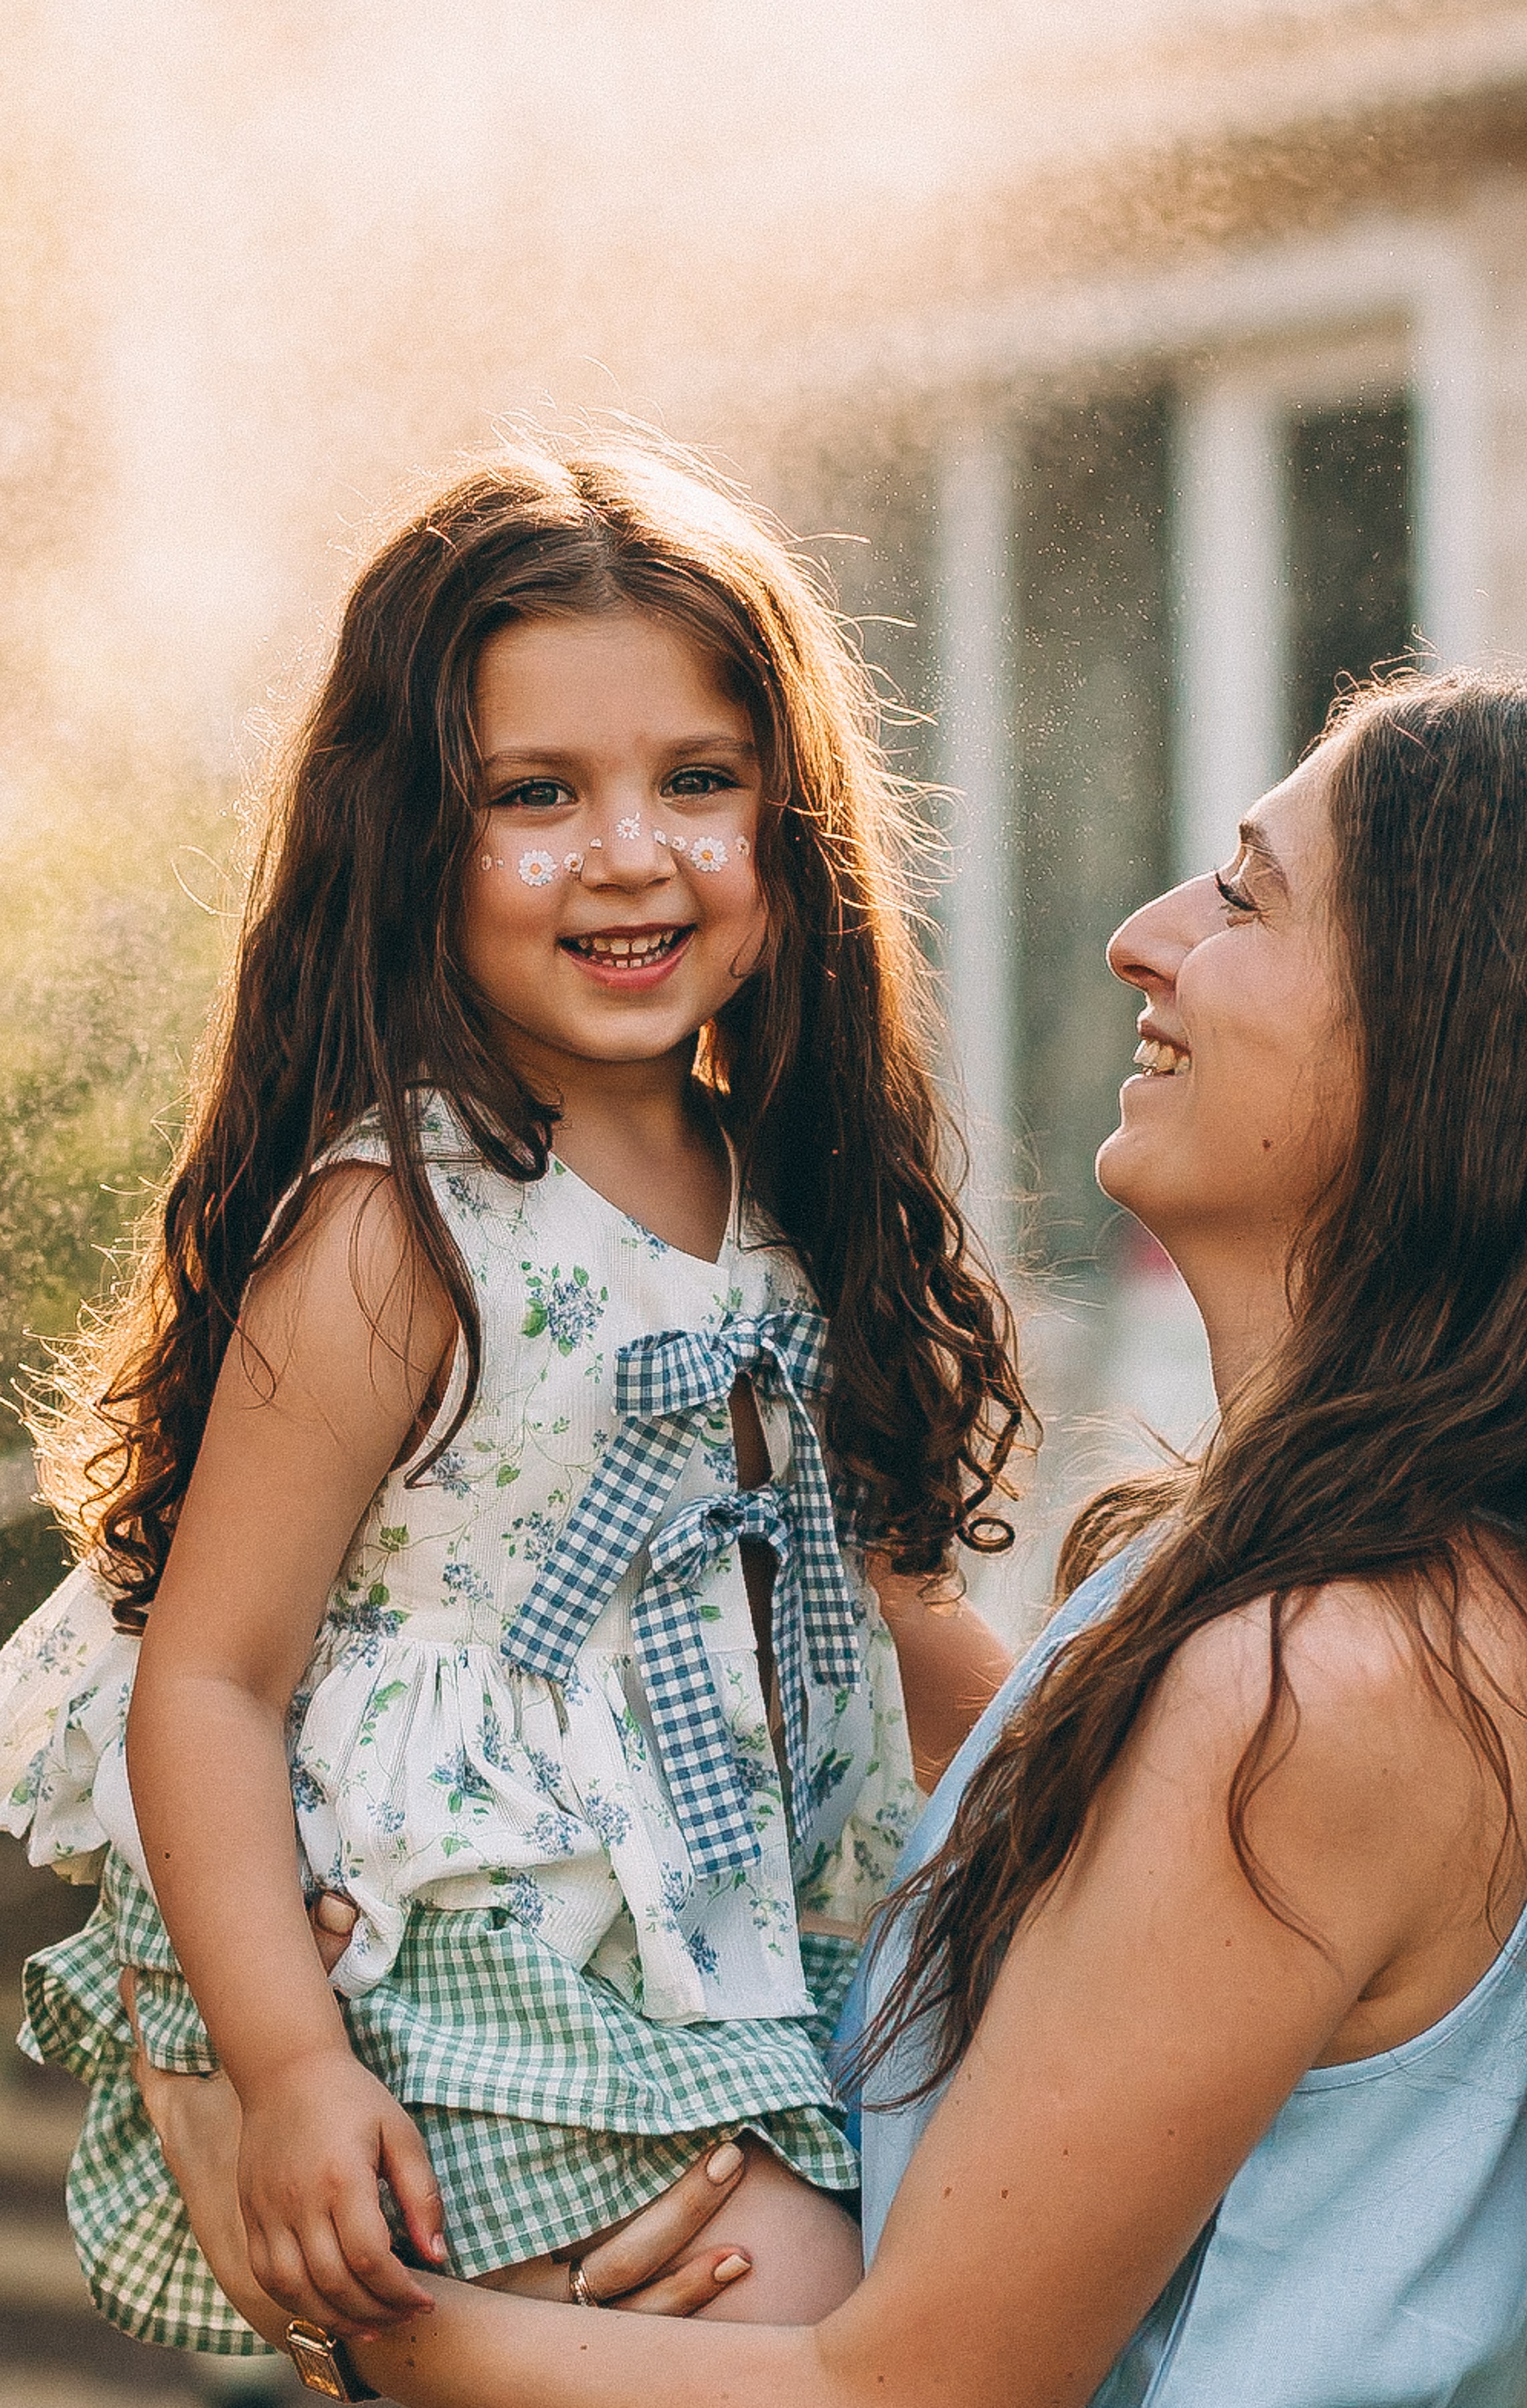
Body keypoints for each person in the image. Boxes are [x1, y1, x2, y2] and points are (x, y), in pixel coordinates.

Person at [126, 668, 1527, 2407]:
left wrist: (348, 2299)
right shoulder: (1275, 1592)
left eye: (1248, 895)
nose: (1143, 936)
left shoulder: (1341, 1671)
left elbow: (903, 2394)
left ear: (1450, 1035)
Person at [0, 441, 1026, 2367]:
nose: (627, 852)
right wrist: (288, 2071)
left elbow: (893, 1615)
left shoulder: (779, 1205)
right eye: (532, 796)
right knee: (807, 2334)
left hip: (723, 1952)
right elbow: (207, 1677)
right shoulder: (407, 1224)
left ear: (790, 828)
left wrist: (1127, 1775)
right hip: (460, 1954)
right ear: (404, 845)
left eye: (697, 783)